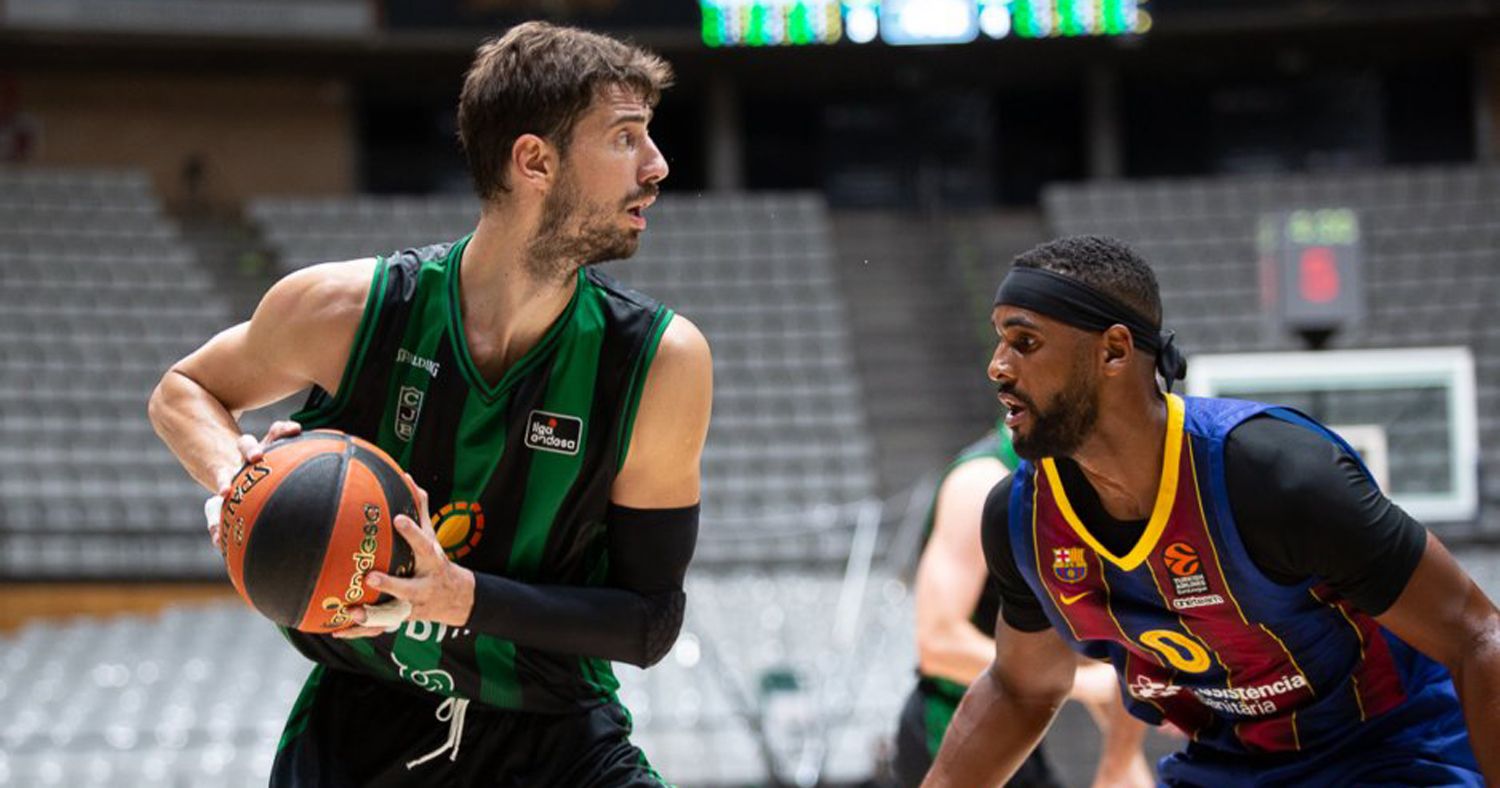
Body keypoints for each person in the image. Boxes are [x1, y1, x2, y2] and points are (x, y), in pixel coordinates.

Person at [148, 22, 711, 786]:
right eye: (625, 138)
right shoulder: (350, 308)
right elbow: (184, 390)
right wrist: (237, 477)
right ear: (535, 160)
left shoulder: (659, 361)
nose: (657, 166)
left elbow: (649, 623)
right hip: (360, 724)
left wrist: (464, 598)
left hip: (554, 740)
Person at [924, 236, 1499, 786]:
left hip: (1387, 753)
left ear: (1115, 351)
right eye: (999, 341)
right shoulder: (1022, 517)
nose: (997, 366)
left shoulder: (1275, 477)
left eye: (1024, 342)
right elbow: (1022, 688)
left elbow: (1477, 634)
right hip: (1231, 762)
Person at [894, 426, 1152, 788]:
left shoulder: (1081, 484)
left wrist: (1121, 763)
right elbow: (937, 644)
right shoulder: (979, 483)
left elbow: (1092, 656)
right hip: (951, 726)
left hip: (1020, 724)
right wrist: (1083, 682)